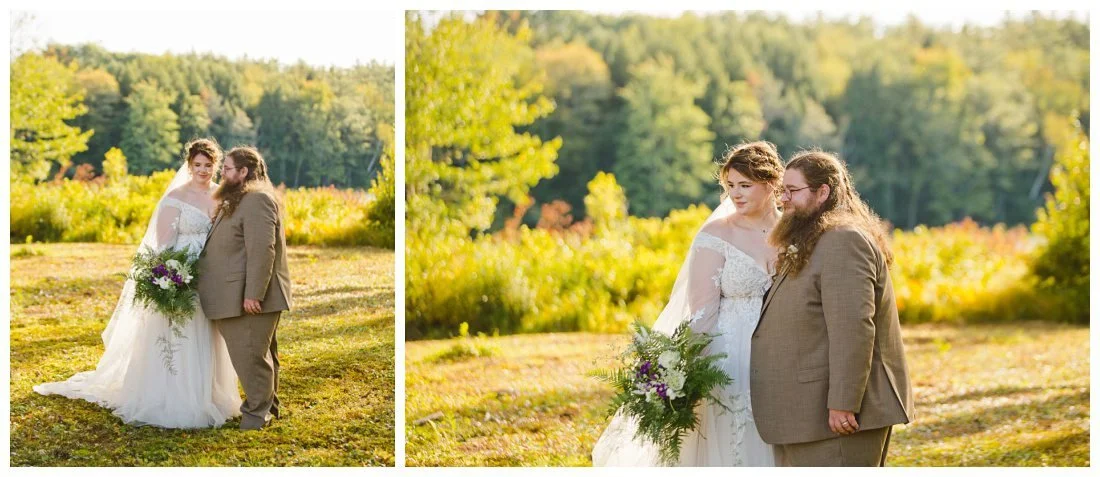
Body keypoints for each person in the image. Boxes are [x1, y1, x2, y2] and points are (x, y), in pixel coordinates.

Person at [593, 141, 784, 466]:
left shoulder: (791, 230)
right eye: (730, 186)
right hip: (729, 355)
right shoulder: (716, 234)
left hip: (781, 351)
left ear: (771, 184)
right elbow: (701, 311)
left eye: (745, 186)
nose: (735, 194)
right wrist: (690, 369)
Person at [35, 138, 242, 429]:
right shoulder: (175, 197)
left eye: (208, 165)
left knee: (206, 332)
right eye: (197, 165)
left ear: (216, 166)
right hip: (181, 274)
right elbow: (162, 244)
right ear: (189, 165)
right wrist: (172, 276)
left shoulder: (220, 196)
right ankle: (174, 397)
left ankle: (208, 394)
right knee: (179, 335)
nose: (203, 170)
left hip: (210, 277)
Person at [751, 149, 914, 466]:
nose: (783, 199)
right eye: (783, 190)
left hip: (838, 419)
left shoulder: (843, 240)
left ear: (822, 192)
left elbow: (853, 328)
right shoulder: (815, 238)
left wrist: (844, 403)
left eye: (792, 191)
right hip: (807, 416)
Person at [198, 146, 292, 431]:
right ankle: (268, 408)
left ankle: (255, 416)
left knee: (250, 357)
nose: (221, 173)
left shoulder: (257, 199)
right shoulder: (241, 198)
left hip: (248, 297)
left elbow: (263, 250)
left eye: (227, 168)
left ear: (243, 172)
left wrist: (254, 294)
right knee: (259, 354)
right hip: (236, 293)